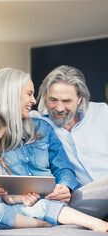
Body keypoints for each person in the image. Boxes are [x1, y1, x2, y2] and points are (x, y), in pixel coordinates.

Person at [0, 103, 108, 232]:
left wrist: (22, 198)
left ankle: (94, 223)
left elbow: (7, 197)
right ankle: (43, 225)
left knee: (42, 205)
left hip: (6, 209)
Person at [0, 67, 79, 205]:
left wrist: (65, 187)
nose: (34, 101)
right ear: (11, 95)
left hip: (55, 202)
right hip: (21, 208)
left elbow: (63, 167)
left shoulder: (43, 128)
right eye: (29, 94)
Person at [30, 65, 108, 219]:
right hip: (81, 198)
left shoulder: (102, 112)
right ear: (45, 96)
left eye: (66, 101)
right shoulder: (36, 122)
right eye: (53, 100)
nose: (59, 108)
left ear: (79, 98)